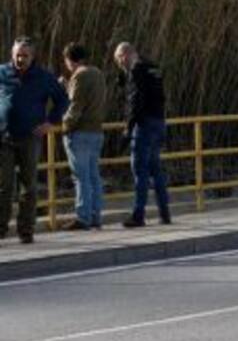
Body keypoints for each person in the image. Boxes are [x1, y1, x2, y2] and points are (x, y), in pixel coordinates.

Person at [0, 37, 69, 244]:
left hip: (30, 138)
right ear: (12, 54)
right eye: (17, 55)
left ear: (33, 56)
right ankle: (1, 228)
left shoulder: (43, 77)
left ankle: (26, 230)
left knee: (28, 186)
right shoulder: (2, 72)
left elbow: (62, 99)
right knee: (4, 187)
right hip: (4, 137)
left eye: (25, 55)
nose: (20, 59)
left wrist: (51, 122)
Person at [113, 42, 170, 227]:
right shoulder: (153, 67)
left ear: (125, 55)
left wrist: (128, 129)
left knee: (140, 171)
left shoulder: (137, 71)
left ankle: (139, 214)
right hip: (159, 121)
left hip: (143, 124)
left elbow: (135, 100)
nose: (119, 64)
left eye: (119, 60)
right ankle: (165, 213)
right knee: (156, 170)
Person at [61, 43, 107, 231]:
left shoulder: (79, 76)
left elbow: (76, 106)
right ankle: (96, 215)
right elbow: (90, 100)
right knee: (93, 175)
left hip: (80, 132)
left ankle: (83, 217)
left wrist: (65, 126)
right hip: (96, 131)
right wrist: (68, 87)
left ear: (70, 60)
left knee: (81, 177)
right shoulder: (98, 74)